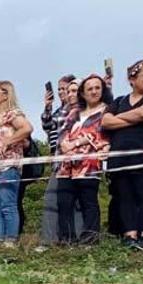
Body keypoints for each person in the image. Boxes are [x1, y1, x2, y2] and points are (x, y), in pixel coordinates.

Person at [102, 59, 143, 250]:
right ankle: (130, 236)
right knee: (124, 195)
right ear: (132, 79)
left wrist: (119, 119)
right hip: (120, 156)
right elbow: (105, 122)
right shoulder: (119, 101)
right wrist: (133, 119)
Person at [55, 76, 110, 244]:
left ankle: (90, 240)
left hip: (89, 164)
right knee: (64, 202)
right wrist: (65, 144)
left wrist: (79, 142)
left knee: (88, 202)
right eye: (90, 89)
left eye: (97, 88)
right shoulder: (74, 112)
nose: (94, 91)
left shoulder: (107, 111)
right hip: (66, 164)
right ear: (83, 93)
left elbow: (102, 135)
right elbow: (63, 132)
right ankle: (66, 239)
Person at [0, 80, 33, 246]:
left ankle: (10, 241)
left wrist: (9, 140)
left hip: (7, 165)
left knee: (7, 204)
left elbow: (27, 128)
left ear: (6, 94)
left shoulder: (13, 114)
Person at [39, 74, 77, 246]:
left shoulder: (77, 109)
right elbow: (47, 127)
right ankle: (53, 239)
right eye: (60, 89)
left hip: (75, 161)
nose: (62, 92)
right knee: (53, 200)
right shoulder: (58, 111)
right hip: (57, 161)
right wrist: (47, 106)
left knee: (73, 202)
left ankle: (71, 239)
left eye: (66, 89)